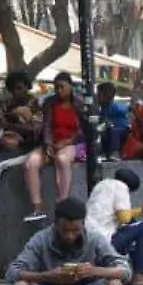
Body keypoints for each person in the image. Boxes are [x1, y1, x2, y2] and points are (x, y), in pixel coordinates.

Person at [22, 73, 85, 223]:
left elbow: (84, 129)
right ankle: (37, 208)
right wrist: (48, 144)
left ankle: (62, 204)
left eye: (62, 87)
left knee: (62, 160)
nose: (58, 90)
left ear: (70, 87)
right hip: (51, 143)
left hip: (72, 143)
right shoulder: (50, 103)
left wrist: (67, 141)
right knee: (30, 162)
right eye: (56, 87)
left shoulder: (80, 104)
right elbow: (47, 126)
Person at [85, 166, 143, 285]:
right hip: (106, 241)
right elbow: (124, 218)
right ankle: (139, 274)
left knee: (134, 226)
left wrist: (140, 210)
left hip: (89, 240)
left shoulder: (101, 185)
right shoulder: (121, 187)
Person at [94, 82, 132, 158]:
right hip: (109, 127)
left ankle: (115, 152)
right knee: (101, 132)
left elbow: (127, 108)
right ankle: (104, 151)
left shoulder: (115, 106)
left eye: (99, 95)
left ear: (107, 96)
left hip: (122, 129)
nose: (96, 96)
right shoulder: (102, 108)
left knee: (114, 131)